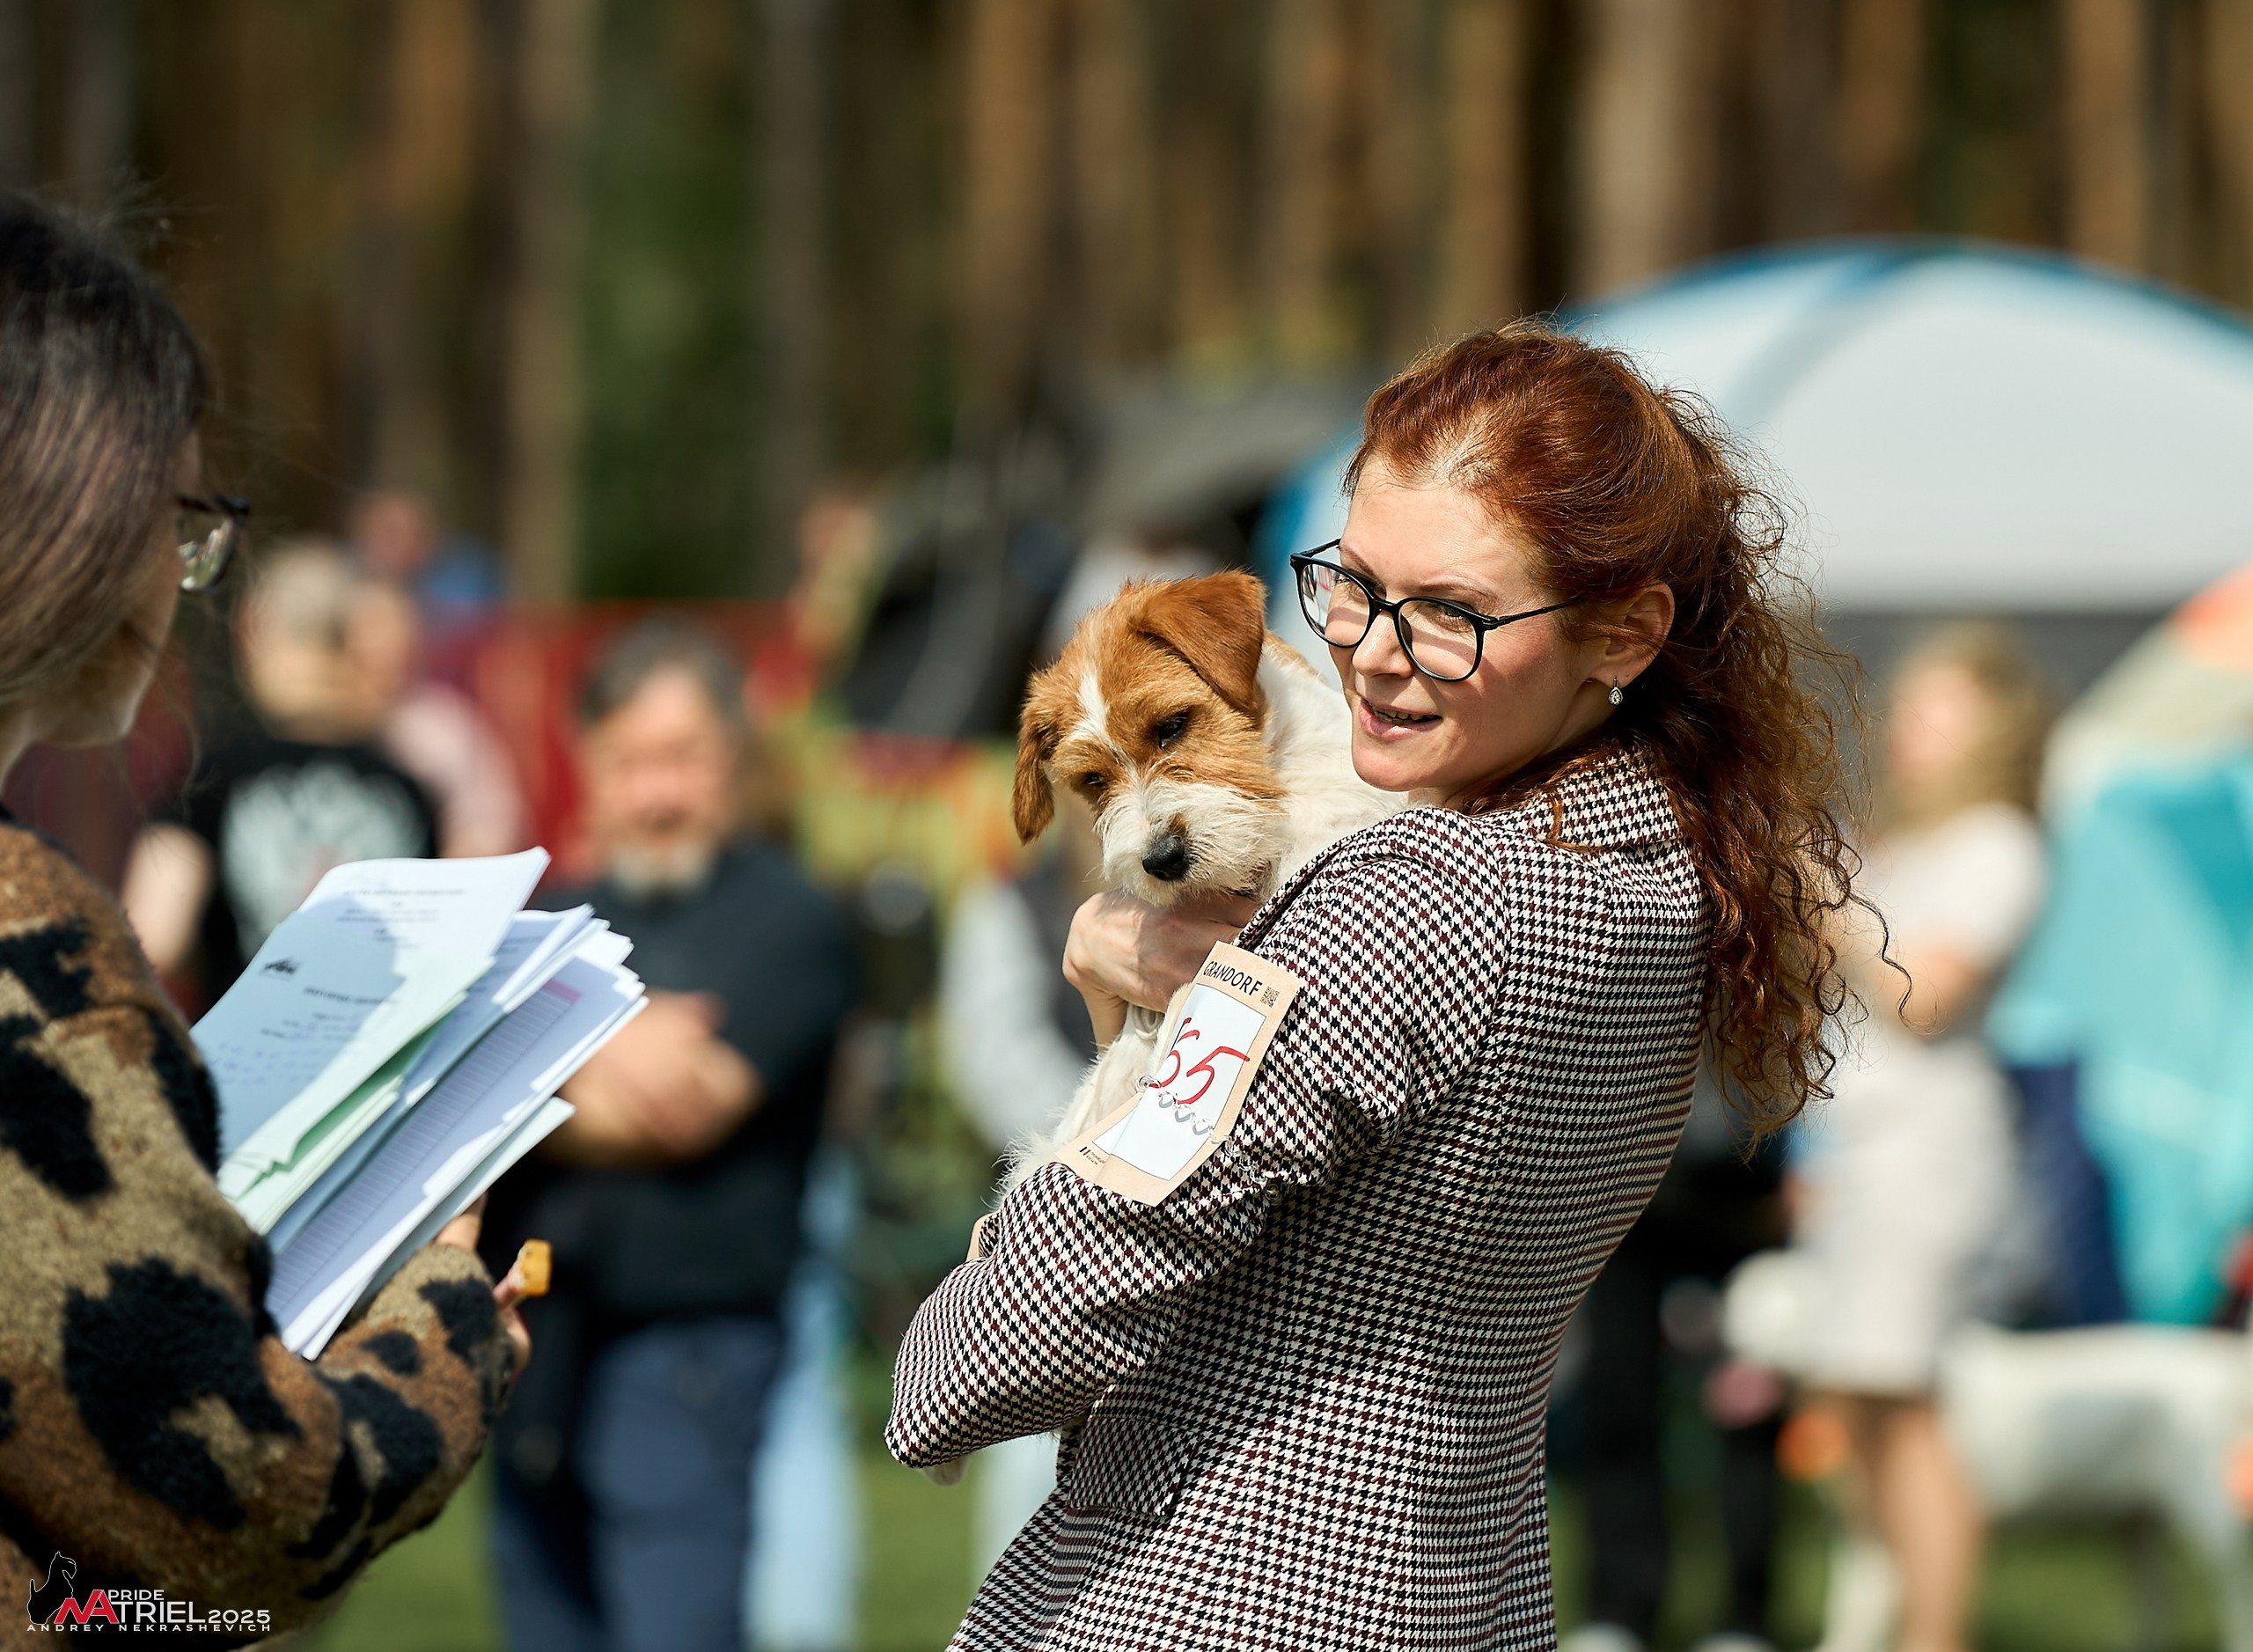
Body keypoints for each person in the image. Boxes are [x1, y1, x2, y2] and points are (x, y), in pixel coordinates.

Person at [885, 322, 1864, 1648]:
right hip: (1461, 1583)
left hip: (1211, 1594)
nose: (1375, 650)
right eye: (1354, 583)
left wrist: (1140, 1012)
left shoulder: (1400, 904)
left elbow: (1016, 1337)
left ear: (1627, 631)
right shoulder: (1663, 881)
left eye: (1454, 612)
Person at [0, 196, 524, 1634]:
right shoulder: (32, 956)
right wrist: (447, 1311)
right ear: (70, 521)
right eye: (181, 528)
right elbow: (240, 1498)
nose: (183, 587)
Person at [480, 618, 859, 1652]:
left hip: (687, 1354)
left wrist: (526, 1066)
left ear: (732, 758)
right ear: (588, 765)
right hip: (529, 1344)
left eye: (682, 757)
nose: (657, 793)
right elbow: (446, 1104)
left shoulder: (787, 919)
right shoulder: (539, 920)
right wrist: (626, 1041)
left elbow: (683, 1109)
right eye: (629, 760)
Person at [1790, 623, 2051, 1652]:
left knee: (1904, 1408)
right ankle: (1891, 1619)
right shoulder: (1902, 839)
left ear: (1994, 725)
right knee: (1856, 1409)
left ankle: (1935, 1636)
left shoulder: (2001, 842)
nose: (1910, 728)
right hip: (1858, 1154)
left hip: (1928, 1160)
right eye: (1908, 707)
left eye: (1938, 709)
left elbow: (1926, 995)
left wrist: (1829, 902)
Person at [121, 538, 440, 1000]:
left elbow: (154, 941)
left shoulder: (213, 775)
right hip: (381, 1064)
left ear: (251, 627)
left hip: (247, 1063)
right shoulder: (407, 790)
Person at [345, 573, 530, 859]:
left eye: (401, 624)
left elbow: (497, 820)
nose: (393, 640)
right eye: (377, 626)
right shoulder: (324, 728)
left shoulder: (447, 721)